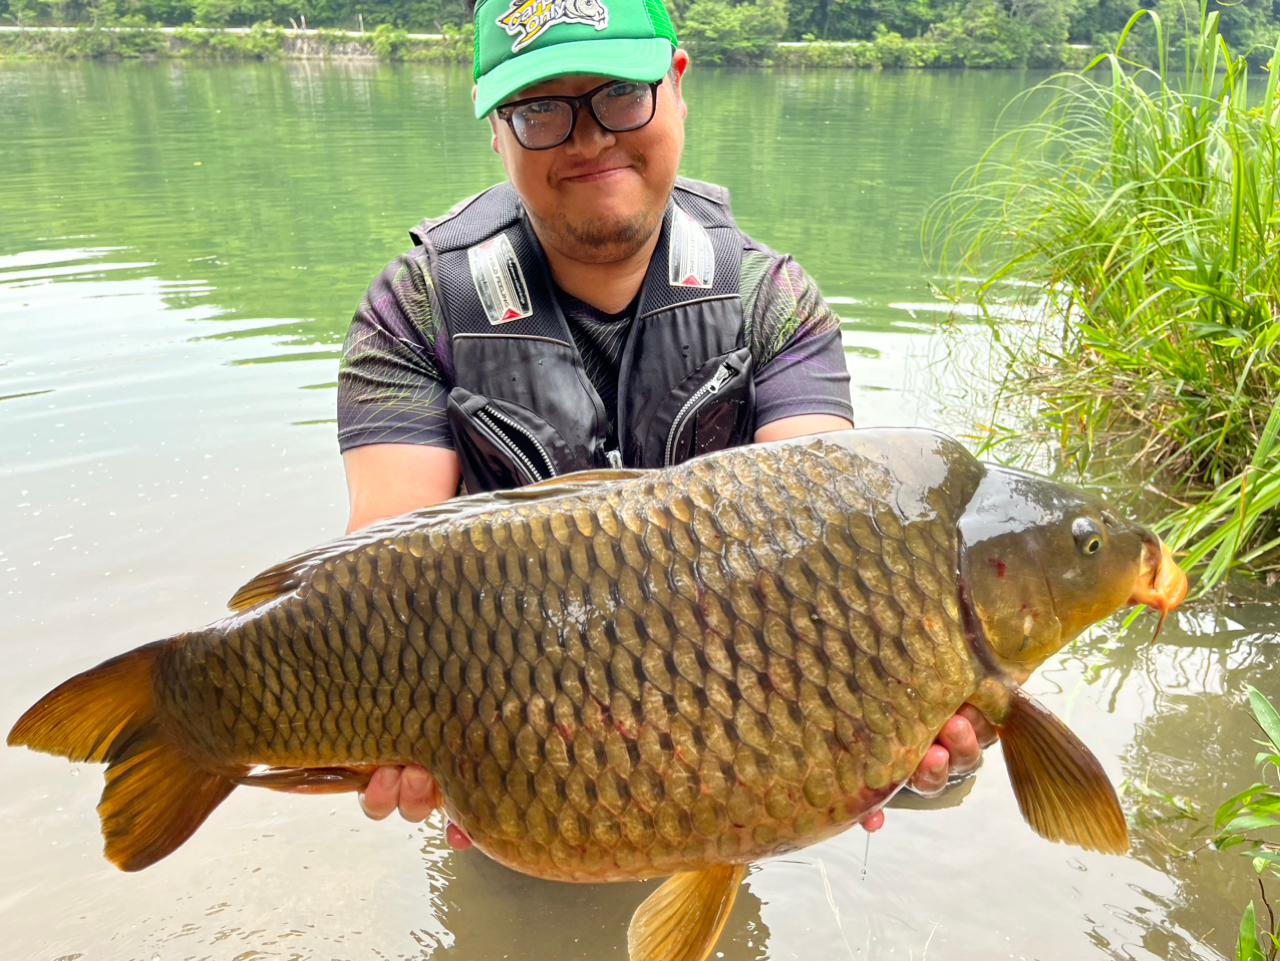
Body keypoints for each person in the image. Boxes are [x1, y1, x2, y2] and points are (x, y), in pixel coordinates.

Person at [335, 0, 993, 849]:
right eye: (541, 108)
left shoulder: (775, 304)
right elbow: (375, 578)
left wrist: (888, 696)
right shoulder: (414, 307)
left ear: (676, 86)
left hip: (734, 750)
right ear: (496, 130)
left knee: (933, 768)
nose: (586, 138)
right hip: (511, 758)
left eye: (619, 93)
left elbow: (835, 540)